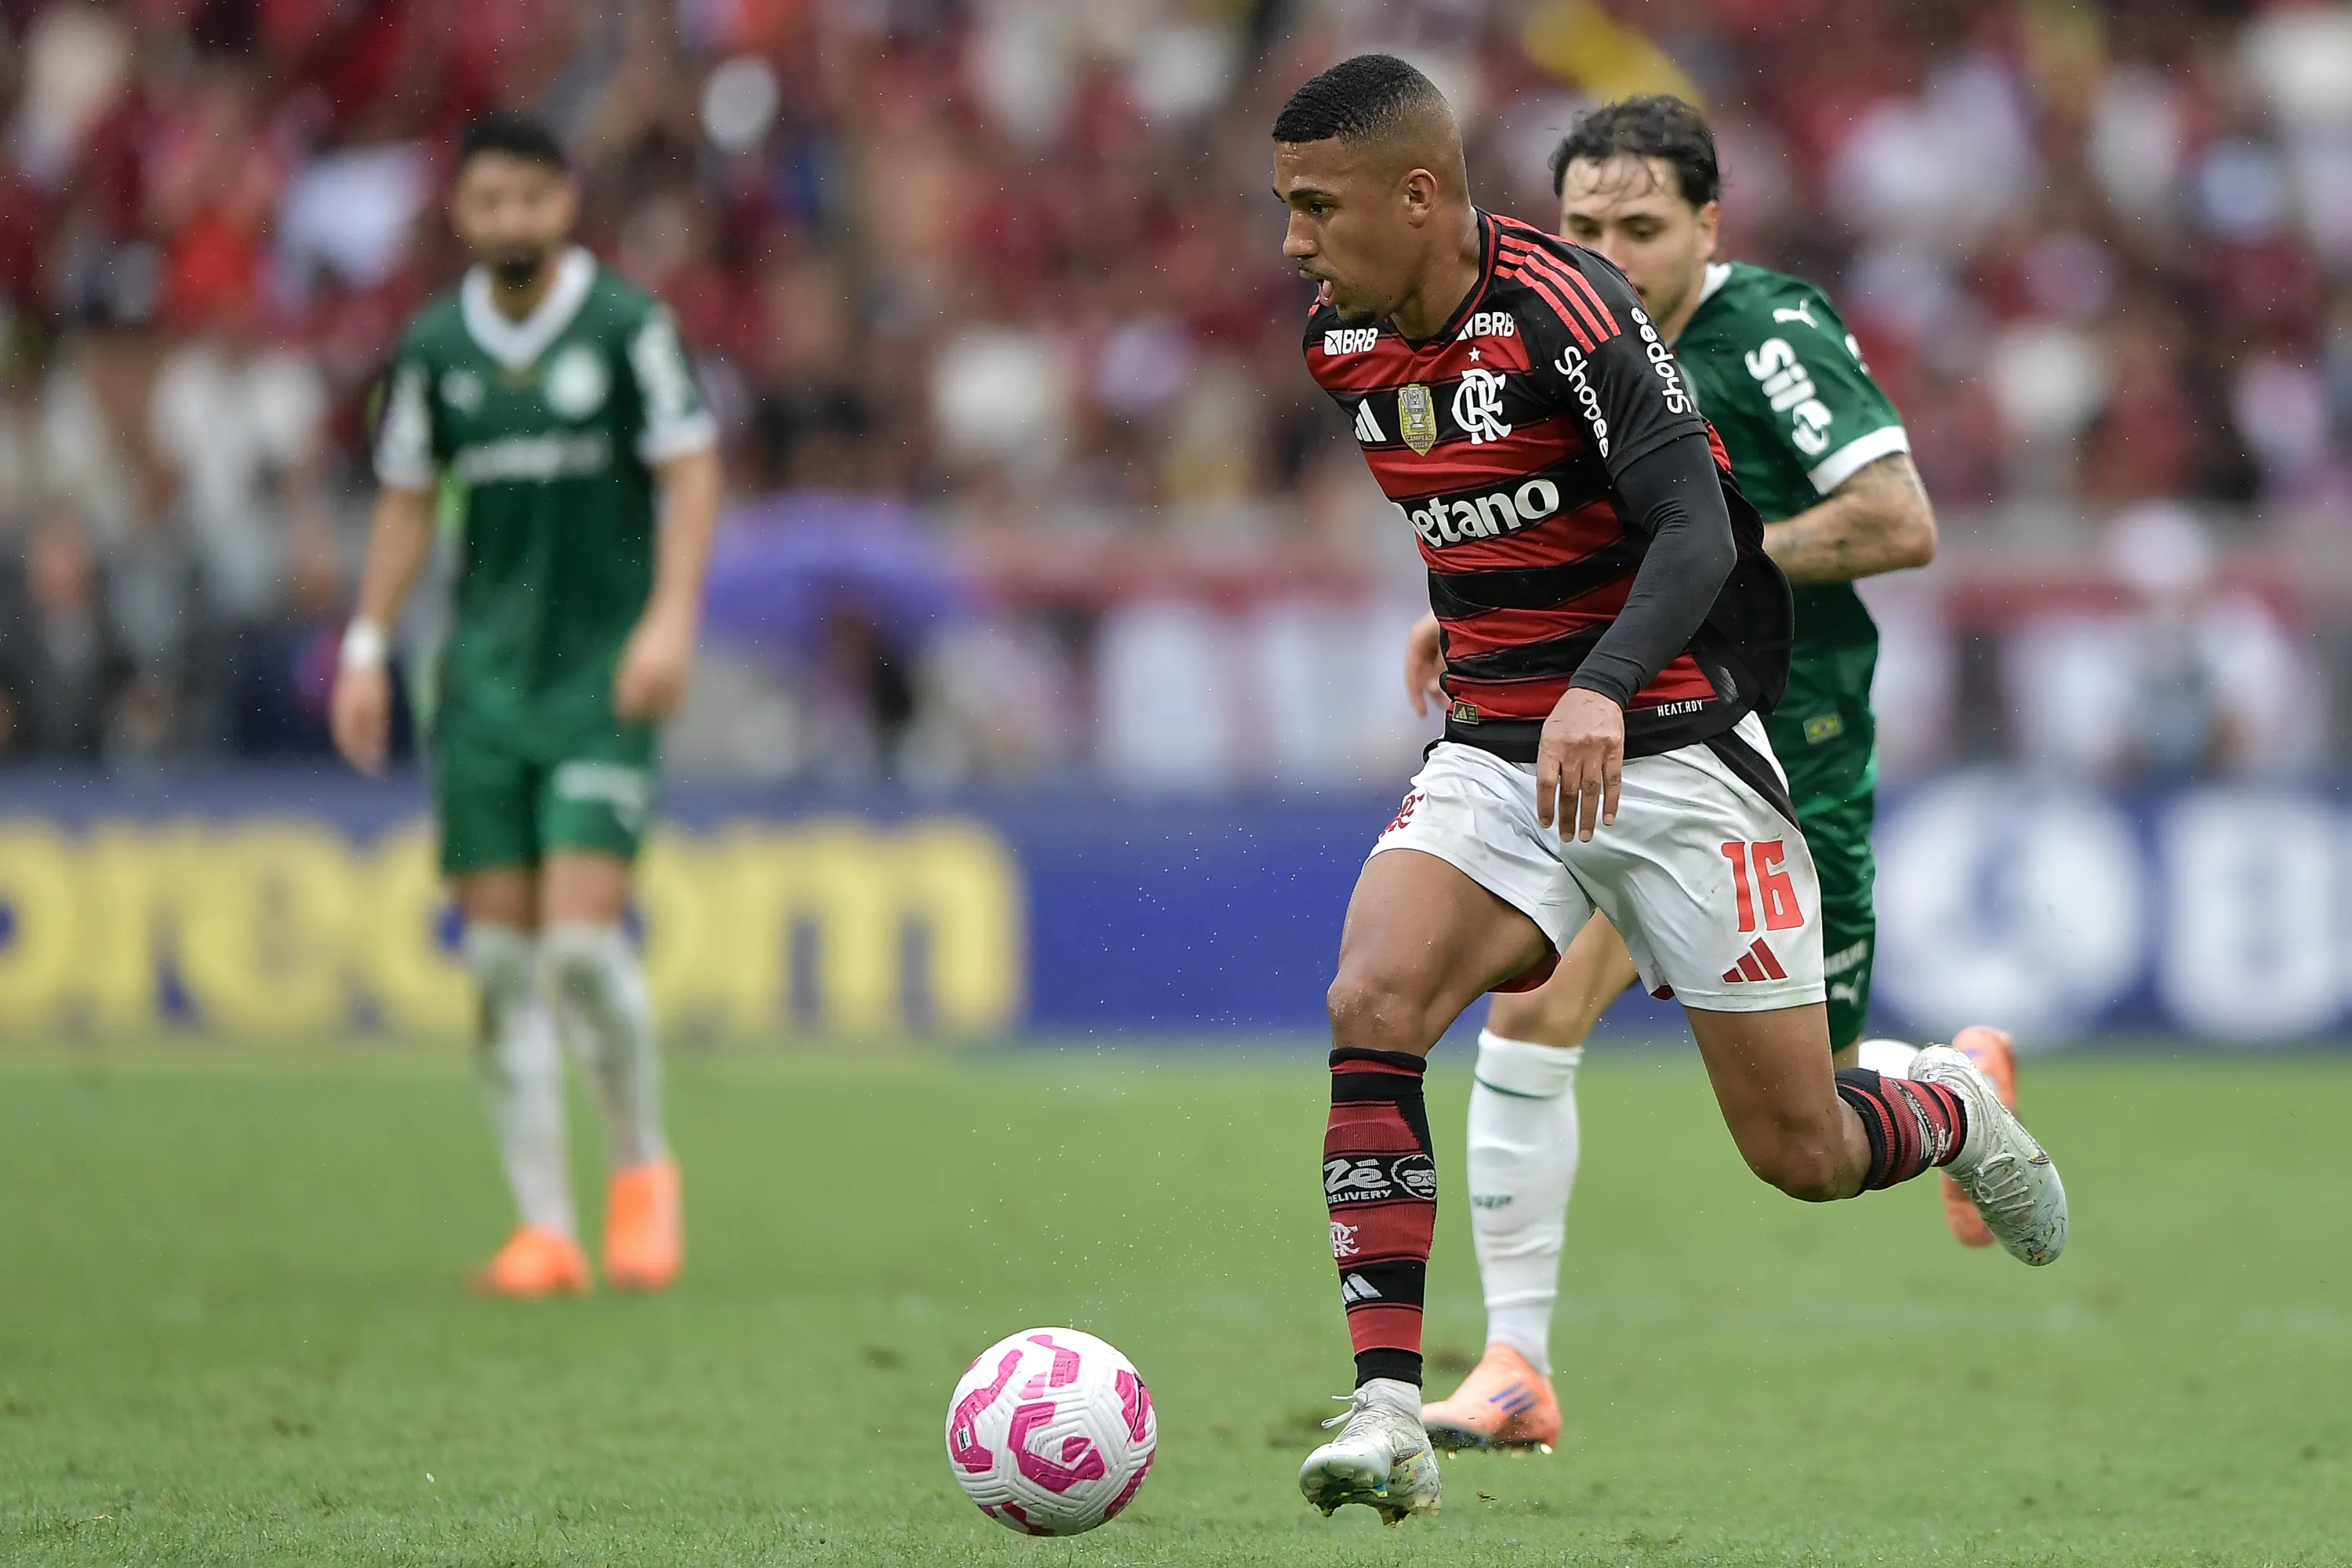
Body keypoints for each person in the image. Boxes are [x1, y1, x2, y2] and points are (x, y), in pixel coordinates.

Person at [1273, 56, 2065, 1526]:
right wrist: (1494, 634)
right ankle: (1397, 1403)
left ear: (1419, 194)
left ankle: (1948, 1108)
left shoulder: (1570, 312)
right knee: (1373, 1004)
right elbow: (1498, 510)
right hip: (1507, 750)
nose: (1294, 242)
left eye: (1317, 207)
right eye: (1287, 209)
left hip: (1687, 747)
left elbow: (1699, 531)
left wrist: (1599, 682)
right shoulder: (1342, 346)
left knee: (1804, 1152)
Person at [330, 113, 722, 1298]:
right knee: (499, 964)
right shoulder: (433, 347)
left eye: (531, 200)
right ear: (462, 211)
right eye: (489, 201)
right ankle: (545, 1229)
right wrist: (365, 644)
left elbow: (693, 471)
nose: (511, 222)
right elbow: (404, 503)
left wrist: (669, 621)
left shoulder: (626, 331)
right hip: (484, 688)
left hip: (601, 680)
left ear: (566, 202)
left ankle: (643, 1175)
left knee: (581, 947)